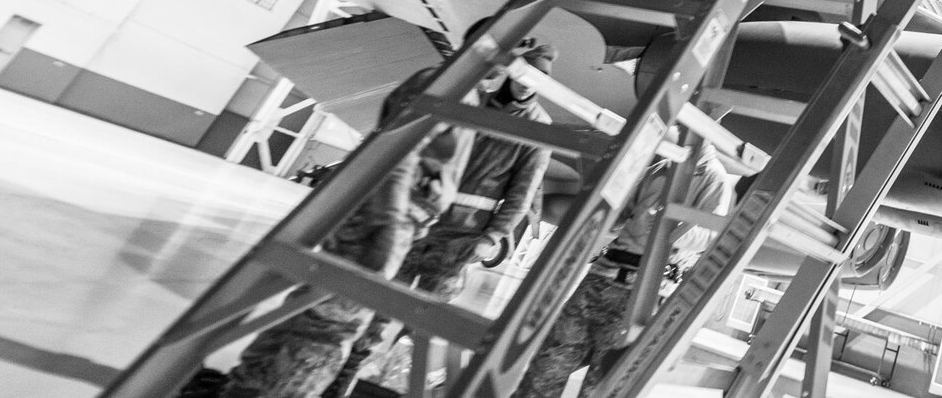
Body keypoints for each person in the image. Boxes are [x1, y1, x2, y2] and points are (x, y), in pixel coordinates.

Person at [220, 66, 478, 398]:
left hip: (390, 210)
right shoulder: (456, 84)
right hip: (390, 212)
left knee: (310, 311)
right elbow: (401, 149)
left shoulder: (451, 83)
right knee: (332, 324)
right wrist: (387, 220)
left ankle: (244, 390)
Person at [329, 38, 557, 396]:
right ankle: (343, 378)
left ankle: (399, 383)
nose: (528, 82)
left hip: (462, 239)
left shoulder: (541, 128)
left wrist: (492, 237)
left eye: (538, 77)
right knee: (377, 304)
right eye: (526, 71)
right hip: (418, 223)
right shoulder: (473, 102)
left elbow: (522, 192)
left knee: (425, 322)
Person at [514, 142, 735, 398]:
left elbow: (708, 236)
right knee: (548, 366)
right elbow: (620, 218)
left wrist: (668, 226)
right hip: (601, 280)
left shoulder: (713, 177)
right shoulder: (660, 168)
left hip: (641, 291)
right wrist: (597, 209)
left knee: (602, 384)